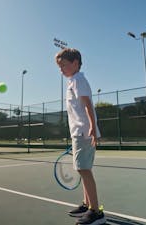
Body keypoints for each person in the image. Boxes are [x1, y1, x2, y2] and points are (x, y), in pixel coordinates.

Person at [55, 48, 106, 225]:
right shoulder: (73, 81)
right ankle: (87, 205)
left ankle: (96, 212)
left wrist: (92, 125)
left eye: (63, 65)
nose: (61, 69)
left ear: (75, 63)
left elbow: (87, 104)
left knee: (84, 169)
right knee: (83, 169)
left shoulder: (78, 80)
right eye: (59, 67)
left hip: (84, 131)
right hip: (79, 132)